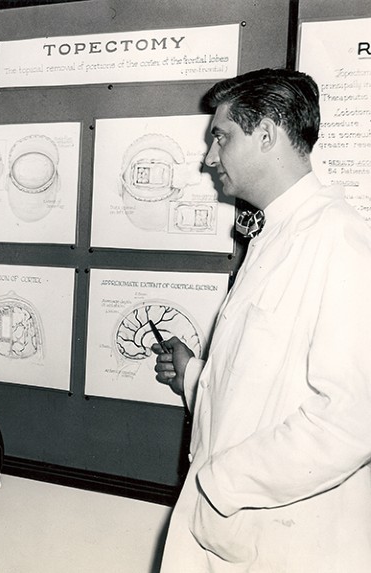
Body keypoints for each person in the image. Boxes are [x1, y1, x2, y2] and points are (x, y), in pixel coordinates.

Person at [151, 67, 371, 572]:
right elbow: (263, 385)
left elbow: (352, 419)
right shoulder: (275, 235)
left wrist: (220, 483)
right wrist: (194, 376)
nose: (209, 158)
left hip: (285, 543)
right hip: (238, 534)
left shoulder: (337, 239)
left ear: (267, 133)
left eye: (221, 138)